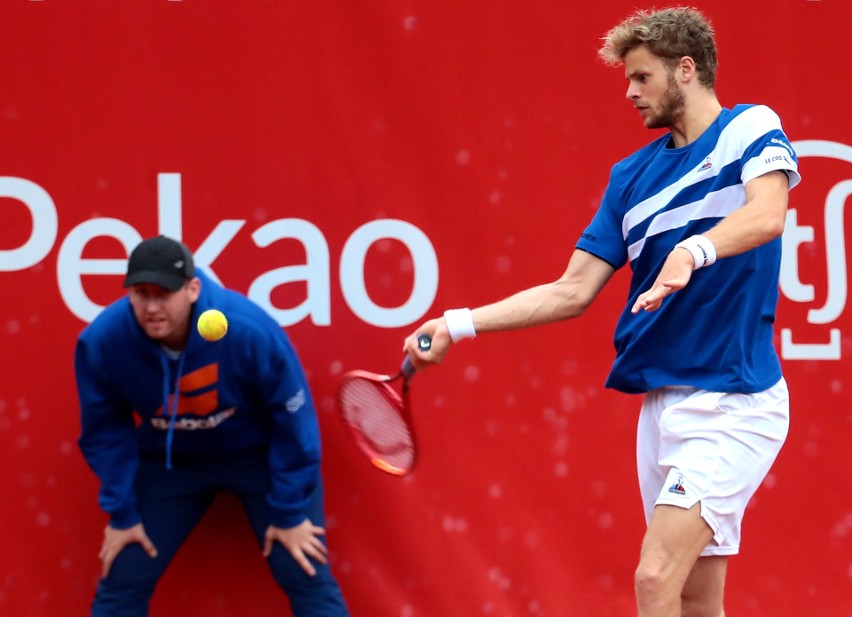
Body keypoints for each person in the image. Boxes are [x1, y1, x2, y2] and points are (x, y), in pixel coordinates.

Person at [404, 7, 799, 617]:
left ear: (685, 71)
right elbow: (571, 290)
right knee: (695, 598)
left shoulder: (750, 128)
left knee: (653, 576)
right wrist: (456, 323)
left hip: (734, 403)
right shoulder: (628, 178)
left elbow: (768, 213)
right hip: (662, 409)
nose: (630, 91)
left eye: (641, 77)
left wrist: (693, 251)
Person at [75, 235, 349, 617]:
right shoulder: (104, 341)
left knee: (301, 567)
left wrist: (288, 512)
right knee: (124, 572)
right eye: (141, 293)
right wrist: (122, 512)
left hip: (259, 458)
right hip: (172, 464)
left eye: (164, 293)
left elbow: (293, 420)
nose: (152, 306)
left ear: (192, 289)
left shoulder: (247, 329)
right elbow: (104, 431)